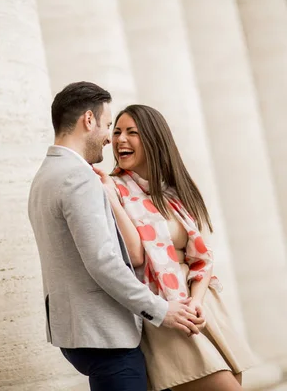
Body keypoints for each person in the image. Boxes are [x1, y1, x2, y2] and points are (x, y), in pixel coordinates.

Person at [27, 82, 204, 391]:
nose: (110, 138)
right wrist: (161, 311)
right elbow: (102, 261)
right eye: (109, 125)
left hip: (76, 331)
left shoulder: (45, 175)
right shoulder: (78, 177)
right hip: (106, 335)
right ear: (88, 120)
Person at [94, 104, 256, 391]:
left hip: (200, 305)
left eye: (132, 132)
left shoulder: (173, 191)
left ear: (154, 140)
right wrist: (113, 200)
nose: (120, 140)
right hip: (166, 310)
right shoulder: (113, 187)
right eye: (117, 131)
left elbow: (202, 256)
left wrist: (197, 299)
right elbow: (135, 255)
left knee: (234, 381)